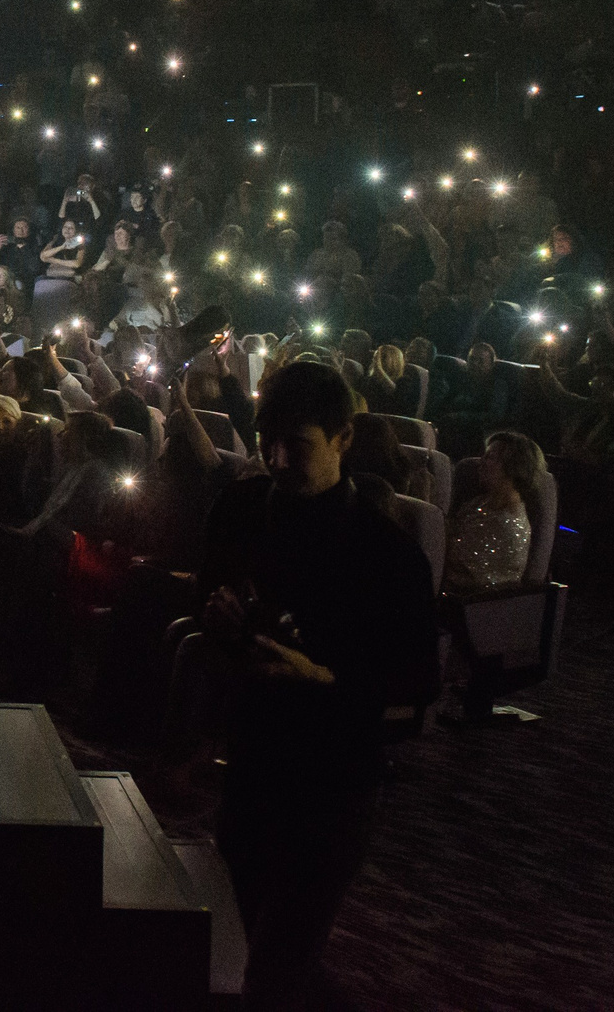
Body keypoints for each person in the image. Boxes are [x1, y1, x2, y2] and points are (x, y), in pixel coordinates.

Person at [198, 360, 438, 1010]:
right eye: (267, 440)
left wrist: (323, 676)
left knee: (284, 954)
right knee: (227, 936)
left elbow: (417, 682)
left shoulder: (386, 553)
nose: (276, 459)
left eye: (296, 444)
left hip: (335, 777)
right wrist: (220, 620)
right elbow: (209, 598)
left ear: (344, 438)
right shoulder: (242, 508)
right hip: (254, 754)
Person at [444, 431, 541, 596]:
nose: (480, 462)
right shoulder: (481, 502)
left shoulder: (507, 524)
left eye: (490, 457)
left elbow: (453, 564)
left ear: (512, 467)